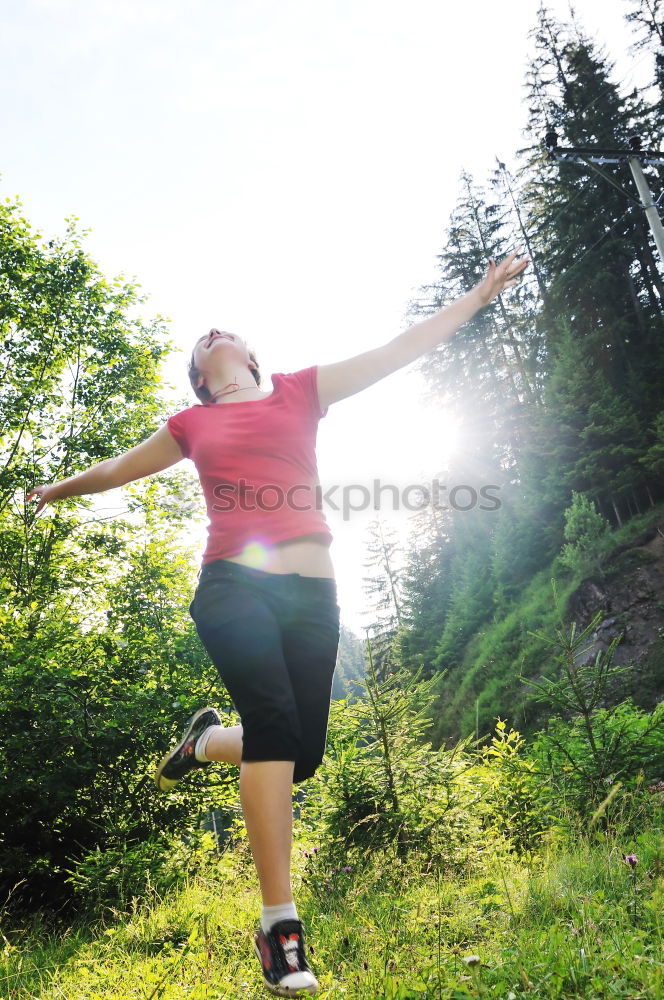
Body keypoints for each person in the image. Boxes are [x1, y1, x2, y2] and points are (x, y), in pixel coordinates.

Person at [27, 250, 528, 997]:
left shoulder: (299, 392)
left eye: (225, 330)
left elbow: (397, 352)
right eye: (201, 340)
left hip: (312, 595)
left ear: (255, 357)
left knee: (302, 754)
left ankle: (203, 742)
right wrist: (52, 491)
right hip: (234, 585)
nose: (214, 332)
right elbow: (117, 470)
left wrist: (479, 296)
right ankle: (280, 930)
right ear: (200, 374)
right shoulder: (191, 423)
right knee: (271, 724)